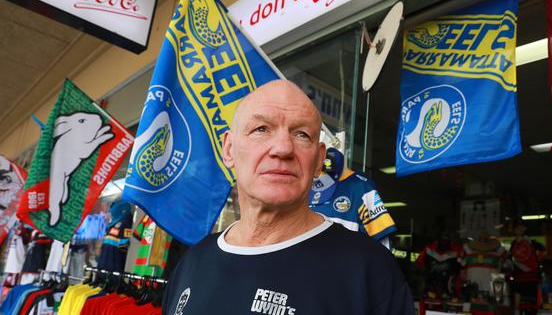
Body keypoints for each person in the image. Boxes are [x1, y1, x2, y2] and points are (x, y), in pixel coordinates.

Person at [163, 80, 414, 314]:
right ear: (229, 149)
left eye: (302, 134)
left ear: (319, 160)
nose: (283, 148)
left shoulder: (369, 270)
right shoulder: (192, 263)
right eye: (261, 129)